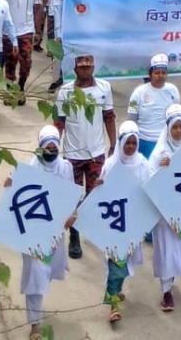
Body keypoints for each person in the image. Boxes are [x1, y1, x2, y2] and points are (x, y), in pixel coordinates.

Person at [13, 126, 74, 340]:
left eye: (54, 146)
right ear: (40, 148)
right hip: (33, 232)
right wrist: (9, 186)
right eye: (47, 147)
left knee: (45, 273)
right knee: (35, 275)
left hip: (54, 232)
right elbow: (16, 200)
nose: (51, 150)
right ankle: (35, 325)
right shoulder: (30, 170)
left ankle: (37, 310)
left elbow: (71, 194)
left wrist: (71, 214)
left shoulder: (66, 168)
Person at [55, 54, 117, 260]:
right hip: (72, 154)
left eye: (88, 67)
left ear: (93, 68)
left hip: (95, 153)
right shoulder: (65, 92)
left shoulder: (104, 89)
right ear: (75, 70)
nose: (85, 70)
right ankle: (74, 236)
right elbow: (60, 121)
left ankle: (91, 229)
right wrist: (54, 146)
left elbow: (108, 117)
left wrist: (113, 144)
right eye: (81, 67)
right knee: (73, 196)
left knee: (93, 196)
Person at [99, 121, 149, 325]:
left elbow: (148, 190)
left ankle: (117, 290)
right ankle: (113, 305)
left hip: (133, 221)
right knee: (115, 263)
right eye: (126, 143)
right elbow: (101, 191)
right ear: (120, 142)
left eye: (133, 143)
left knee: (124, 261)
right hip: (114, 222)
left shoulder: (142, 164)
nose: (130, 147)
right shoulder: (111, 164)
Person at [148, 105, 181, 312]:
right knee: (168, 250)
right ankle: (166, 291)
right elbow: (149, 180)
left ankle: (171, 277)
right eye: (174, 127)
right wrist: (161, 169)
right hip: (165, 212)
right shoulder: (160, 152)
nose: (178, 131)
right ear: (168, 128)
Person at [128, 54, 181, 157]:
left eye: (163, 73)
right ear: (150, 74)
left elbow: (177, 115)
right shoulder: (138, 92)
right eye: (157, 73)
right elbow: (131, 118)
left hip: (166, 141)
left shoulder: (173, 90)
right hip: (144, 140)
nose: (160, 76)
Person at [2, 0, 41, 94]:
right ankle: (9, 90)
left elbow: (37, 8)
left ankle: (21, 87)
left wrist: (38, 29)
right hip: (9, 31)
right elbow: (2, 8)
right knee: (10, 62)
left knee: (26, 62)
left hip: (26, 31)